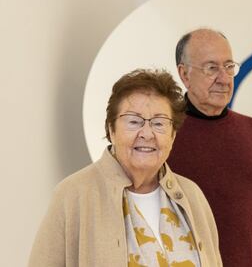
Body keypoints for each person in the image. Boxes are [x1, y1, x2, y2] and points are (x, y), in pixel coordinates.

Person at [29, 69, 222, 267]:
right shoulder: (73, 194)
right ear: (111, 129)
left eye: (159, 123)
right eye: (134, 121)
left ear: (172, 136)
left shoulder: (191, 195)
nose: (147, 133)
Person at [167, 29, 252, 267]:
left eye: (228, 66)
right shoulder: (163, 134)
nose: (224, 78)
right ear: (184, 74)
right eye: (211, 68)